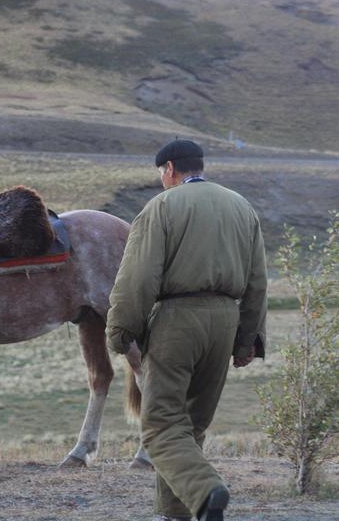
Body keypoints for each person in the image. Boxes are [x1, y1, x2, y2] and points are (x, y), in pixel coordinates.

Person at [107, 139, 267, 521]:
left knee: (161, 426)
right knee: (190, 427)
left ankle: (207, 489)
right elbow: (258, 280)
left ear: (169, 169)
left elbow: (139, 276)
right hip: (224, 320)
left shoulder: (162, 207)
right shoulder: (241, 206)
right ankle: (180, 512)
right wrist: (248, 339)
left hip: (177, 320)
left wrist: (120, 328)